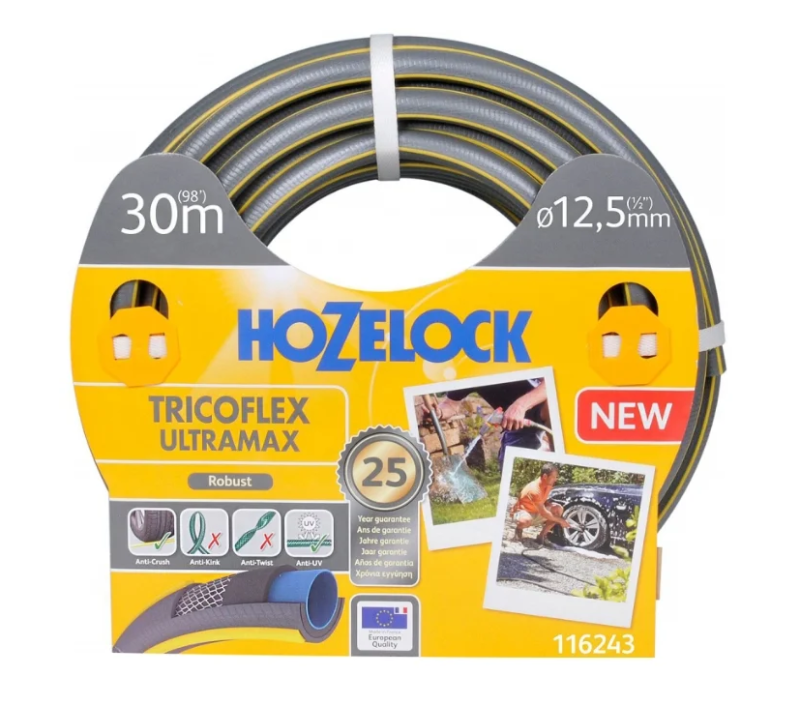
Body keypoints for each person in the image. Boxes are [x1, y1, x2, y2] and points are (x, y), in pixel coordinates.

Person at [425, 378, 551, 467]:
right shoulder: (467, 372)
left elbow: (551, 380)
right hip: (517, 428)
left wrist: (520, 405)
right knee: (511, 471)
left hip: (547, 415)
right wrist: (438, 413)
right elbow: (450, 405)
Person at [511, 463, 571, 548]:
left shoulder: (548, 485)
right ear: (545, 476)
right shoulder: (534, 489)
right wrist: (561, 521)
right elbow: (544, 513)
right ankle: (519, 529)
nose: (555, 479)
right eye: (554, 477)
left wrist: (550, 506)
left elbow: (543, 500)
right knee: (525, 521)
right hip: (522, 512)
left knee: (558, 509)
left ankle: (541, 536)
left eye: (556, 477)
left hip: (536, 511)